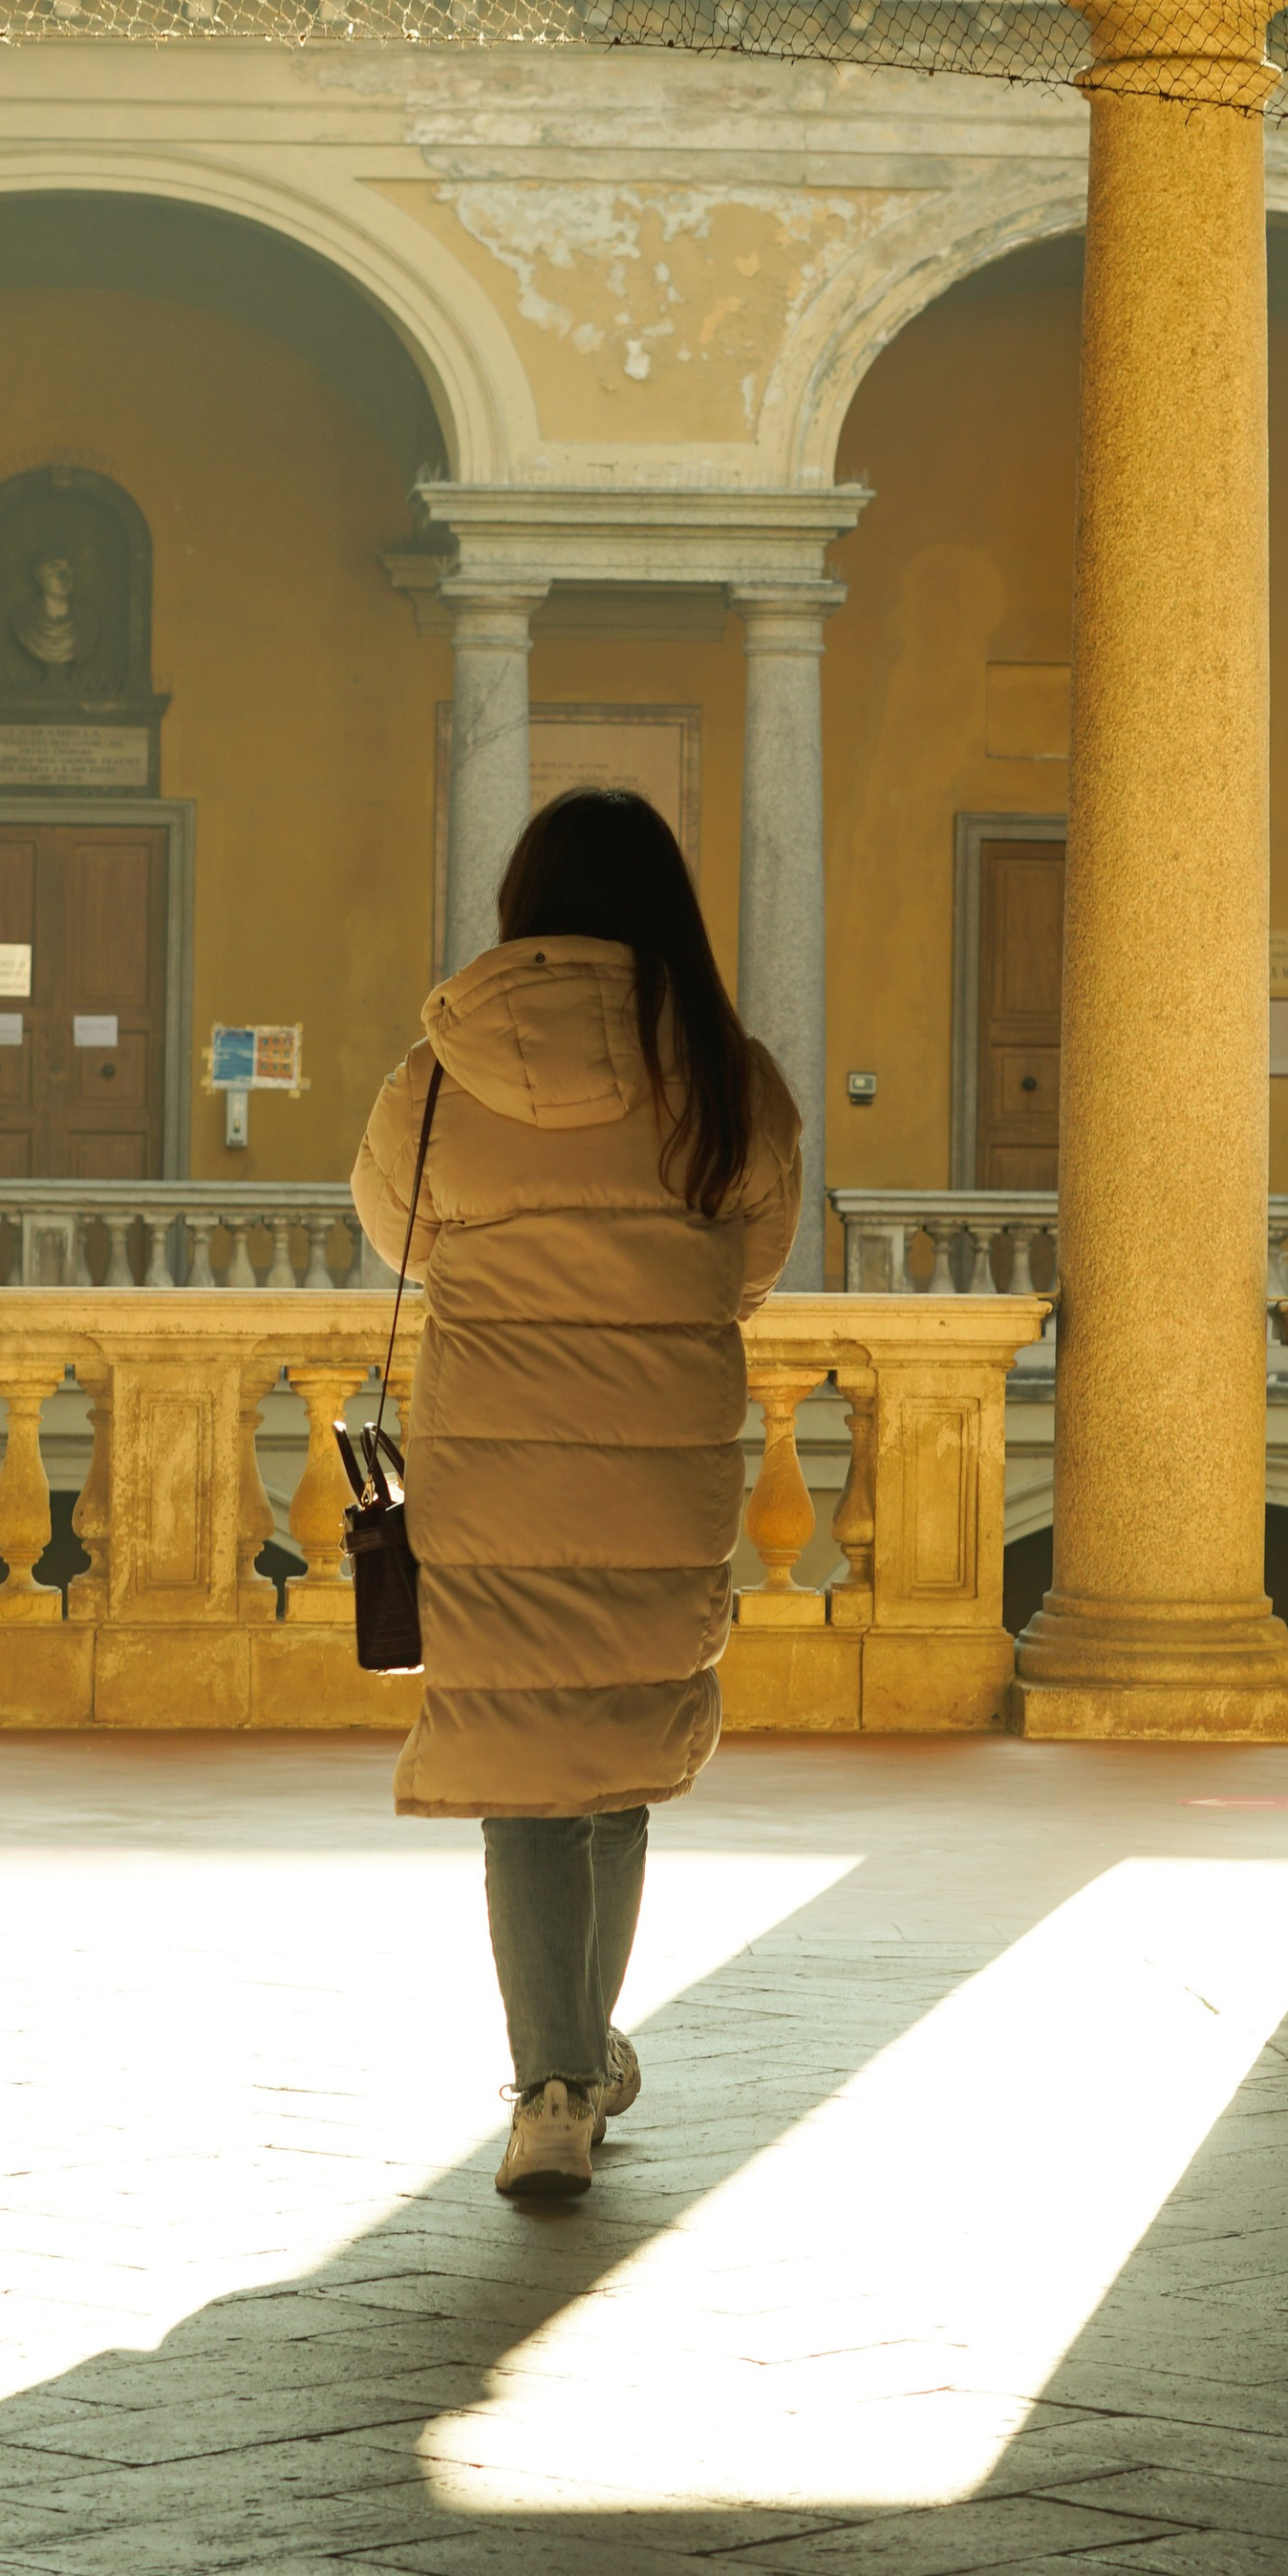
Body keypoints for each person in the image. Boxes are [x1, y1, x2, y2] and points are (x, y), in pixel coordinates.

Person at [352, 789, 802, 2200]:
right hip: (663, 1465)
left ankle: (550, 2086)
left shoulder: (437, 1075)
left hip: (491, 1463)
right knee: (617, 1748)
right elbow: (756, 1259)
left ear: (523, 906)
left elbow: (396, 1239)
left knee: (522, 1763)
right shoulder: (731, 1075)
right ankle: (583, 2060)